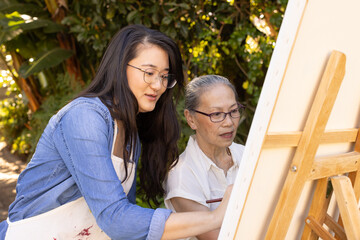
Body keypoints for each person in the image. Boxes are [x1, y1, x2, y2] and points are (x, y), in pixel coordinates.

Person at [0, 25, 232, 240]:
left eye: (164, 76)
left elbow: (125, 227)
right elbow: (116, 218)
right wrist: (214, 218)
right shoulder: (84, 117)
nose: (159, 85)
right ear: (121, 67)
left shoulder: (129, 132)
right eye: (149, 73)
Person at [164, 75, 245, 240]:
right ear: (191, 119)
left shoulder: (249, 156)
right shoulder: (181, 175)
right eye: (216, 114)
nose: (229, 122)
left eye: (233, 111)